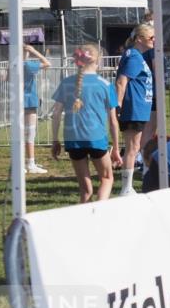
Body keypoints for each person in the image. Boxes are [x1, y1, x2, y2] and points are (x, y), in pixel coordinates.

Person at [51, 45, 121, 202]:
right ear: (98, 60)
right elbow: (113, 121)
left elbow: (55, 114)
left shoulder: (66, 82)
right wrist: (116, 148)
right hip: (96, 137)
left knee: (85, 189)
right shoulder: (105, 84)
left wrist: (55, 140)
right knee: (107, 178)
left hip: (73, 139)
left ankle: (85, 219)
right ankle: (100, 213)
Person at [115, 23, 155, 195]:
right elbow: (121, 82)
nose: (154, 41)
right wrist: (118, 105)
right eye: (151, 38)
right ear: (139, 39)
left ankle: (128, 186)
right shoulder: (134, 57)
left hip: (139, 107)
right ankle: (126, 187)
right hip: (133, 108)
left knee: (134, 147)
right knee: (132, 148)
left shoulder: (137, 56)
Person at [22, 44, 51, 174]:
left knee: (21, 135)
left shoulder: (13, 65)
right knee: (30, 134)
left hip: (18, 101)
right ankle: (30, 164)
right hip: (29, 101)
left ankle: (23, 163)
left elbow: (7, 79)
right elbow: (47, 63)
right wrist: (35, 52)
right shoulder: (28, 65)